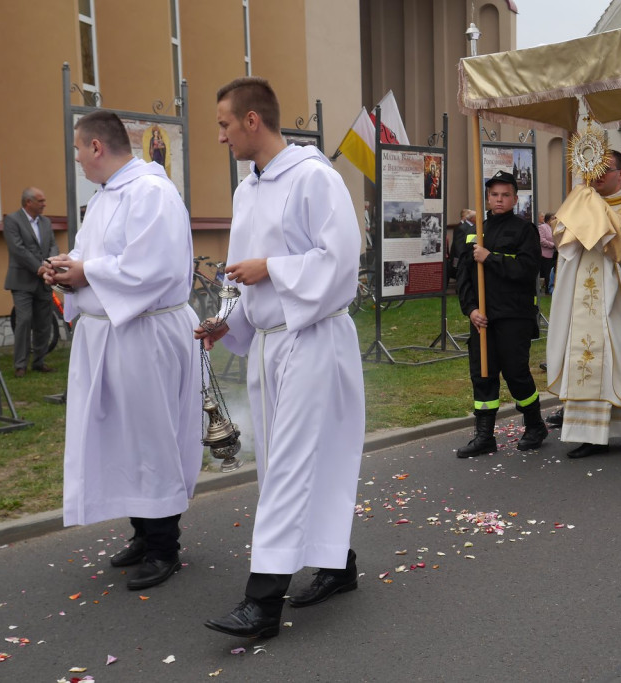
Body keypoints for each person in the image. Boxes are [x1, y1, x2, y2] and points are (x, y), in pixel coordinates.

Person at [198, 77, 365, 639]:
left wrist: (273, 267)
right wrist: (230, 322)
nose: (220, 136)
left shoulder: (316, 177)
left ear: (252, 121)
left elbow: (342, 261)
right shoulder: (248, 189)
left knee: (291, 463)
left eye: (224, 124)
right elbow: (246, 275)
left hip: (314, 338)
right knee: (282, 462)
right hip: (271, 341)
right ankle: (339, 566)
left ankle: (263, 602)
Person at [43, 110, 201, 591]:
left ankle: (164, 545)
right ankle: (141, 531)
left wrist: (86, 272)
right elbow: (98, 260)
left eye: (77, 148)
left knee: (151, 439)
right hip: (109, 336)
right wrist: (64, 268)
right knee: (120, 439)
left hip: (144, 335)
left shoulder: (151, 192)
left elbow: (151, 268)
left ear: (96, 147)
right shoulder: (106, 195)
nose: (76, 157)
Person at [546, 149, 621, 459]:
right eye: (593, 170)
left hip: (620, 296)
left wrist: (601, 218)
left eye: (605, 170)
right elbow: (560, 237)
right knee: (586, 359)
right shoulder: (580, 198)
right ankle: (589, 434)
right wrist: (582, 213)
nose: (597, 176)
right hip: (582, 294)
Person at [455, 170, 546, 457]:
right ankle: (484, 436)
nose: (499, 199)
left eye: (505, 195)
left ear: (515, 199)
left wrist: (490, 258)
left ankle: (535, 425)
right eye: (494, 195)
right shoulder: (475, 231)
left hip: (513, 315)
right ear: (487, 198)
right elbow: (464, 277)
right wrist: (470, 310)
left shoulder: (524, 230)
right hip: (482, 317)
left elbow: (527, 270)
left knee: (516, 373)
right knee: (482, 374)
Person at [3, 187, 58, 377]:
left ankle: (39, 361)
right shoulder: (12, 220)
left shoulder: (46, 222)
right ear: (28, 203)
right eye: (41, 201)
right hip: (22, 281)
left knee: (44, 323)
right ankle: (20, 364)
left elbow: (52, 244)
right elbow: (18, 249)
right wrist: (39, 268)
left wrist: (50, 264)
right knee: (24, 320)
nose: (44, 204)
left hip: (44, 282)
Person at [448, 209, 475, 283]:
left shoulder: (470, 227)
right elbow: (458, 246)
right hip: (460, 257)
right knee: (459, 272)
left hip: (464, 256)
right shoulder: (461, 227)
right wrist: (463, 258)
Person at [537, 212, 555, 293]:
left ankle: (550, 288)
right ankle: (547, 290)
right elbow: (542, 240)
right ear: (548, 219)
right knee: (547, 273)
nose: (555, 220)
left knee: (551, 272)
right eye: (553, 218)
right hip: (545, 254)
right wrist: (553, 245)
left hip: (553, 254)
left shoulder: (553, 228)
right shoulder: (542, 227)